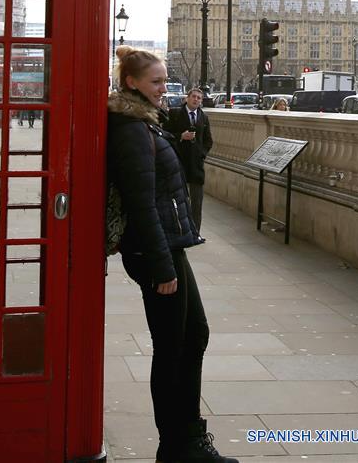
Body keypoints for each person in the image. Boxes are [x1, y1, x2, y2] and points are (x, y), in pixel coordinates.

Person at [107, 46, 237, 463]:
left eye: (165, 80)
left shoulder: (145, 122)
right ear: (132, 83)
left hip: (169, 244)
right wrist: (163, 266)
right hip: (154, 251)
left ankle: (188, 437)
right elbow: (141, 204)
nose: (165, 89)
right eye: (156, 82)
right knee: (172, 345)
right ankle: (177, 445)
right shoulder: (129, 128)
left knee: (193, 335)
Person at [168, 87, 213, 234]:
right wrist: (181, 136)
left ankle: (195, 232)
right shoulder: (175, 114)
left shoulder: (203, 117)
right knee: (179, 200)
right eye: (193, 96)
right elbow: (166, 135)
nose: (196, 100)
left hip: (196, 164)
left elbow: (208, 141)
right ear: (187, 98)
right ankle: (180, 230)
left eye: (199, 98)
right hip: (179, 161)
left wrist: (202, 154)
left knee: (197, 201)